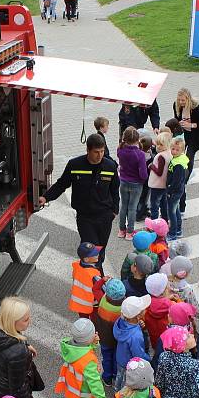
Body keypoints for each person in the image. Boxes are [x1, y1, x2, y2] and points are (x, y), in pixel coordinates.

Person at [40, 133, 119, 274]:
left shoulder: (110, 166)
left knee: (100, 251)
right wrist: (46, 197)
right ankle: (96, 281)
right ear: (88, 150)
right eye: (96, 152)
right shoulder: (75, 165)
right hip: (85, 217)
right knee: (91, 252)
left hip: (105, 217)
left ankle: (92, 279)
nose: (100, 155)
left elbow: (114, 190)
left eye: (102, 151)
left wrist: (114, 211)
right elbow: (61, 184)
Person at [55, 318, 108, 398]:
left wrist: (93, 344)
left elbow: (84, 348)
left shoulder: (69, 347)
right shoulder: (88, 360)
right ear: (89, 338)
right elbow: (94, 383)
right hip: (85, 396)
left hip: (72, 391)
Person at [172, 89, 199, 214]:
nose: (181, 102)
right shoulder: (176, 106)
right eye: (179, 100)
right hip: (182, 135)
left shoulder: (197, 107)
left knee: (189, 157)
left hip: (195, 136)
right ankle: (183, 173)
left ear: (188, 99)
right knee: (179, 155)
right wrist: (179, 124)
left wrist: (190, 125)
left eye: (183, 100)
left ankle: (184, 179)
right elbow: (176, 119)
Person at [113, 296, 151, 390]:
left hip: (120, 358)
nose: (145, 309)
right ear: (138, 316)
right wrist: (149, 359)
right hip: (129, 363)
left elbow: (130, 326)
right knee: (126, 382)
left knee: (119, 376)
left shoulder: (121, 321)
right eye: (143, 309)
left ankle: (116, 390)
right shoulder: (135, 336)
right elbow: (138, 354)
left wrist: (138, 324)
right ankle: (122, 397)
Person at [117, 127, 148, 239]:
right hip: (136, 184)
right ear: (137, 139)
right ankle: (130, 232)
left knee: (123, 206)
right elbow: (143, 174)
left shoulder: (120, 150)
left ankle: (121, 230)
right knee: (132, 208)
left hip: (123, 181)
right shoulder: (140, 154)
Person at [96, 278, 126, 387]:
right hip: (117, 340)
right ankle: (115, 375)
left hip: (104, 339)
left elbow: (96, 289)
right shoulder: (124, 308)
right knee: (115, 358)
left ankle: (107, 378)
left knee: (107, 358)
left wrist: (101, 281)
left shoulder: (102, 300)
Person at [69, 242, 102, 316]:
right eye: (94, 254)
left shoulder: (77, 266)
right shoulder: (93, 275)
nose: (98, 254)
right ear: (86, 259)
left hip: (79, 303)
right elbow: (99, 290)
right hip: (91, 305)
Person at [165, 139, 189, 240]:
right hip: (177, 190)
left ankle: (173, 233)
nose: (174, 151)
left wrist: (169, 191)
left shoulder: (178, 164)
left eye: (177, 150)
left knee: (172, 212)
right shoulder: (179, 159)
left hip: (174, 191)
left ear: (182, 151)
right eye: (173, 149)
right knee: (176, 210)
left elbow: (176, 181)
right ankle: (178, 230)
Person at [147, 132, 173, 221]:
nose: (158, 146)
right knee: (163, 203)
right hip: (164, 184)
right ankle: (165, 220)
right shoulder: (170, 153)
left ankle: (154, 222)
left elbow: (159, 172)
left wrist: (152, 166)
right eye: (157, 144)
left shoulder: (161, 156)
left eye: (161, 145)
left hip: (157, 184)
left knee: (154, 205)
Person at [144, 273, 171, 351]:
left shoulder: (147, 303)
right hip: (167, 338)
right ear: (163, 291)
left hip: (154, 337)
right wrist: (178, 300)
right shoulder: (170, 305)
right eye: (167, 286)